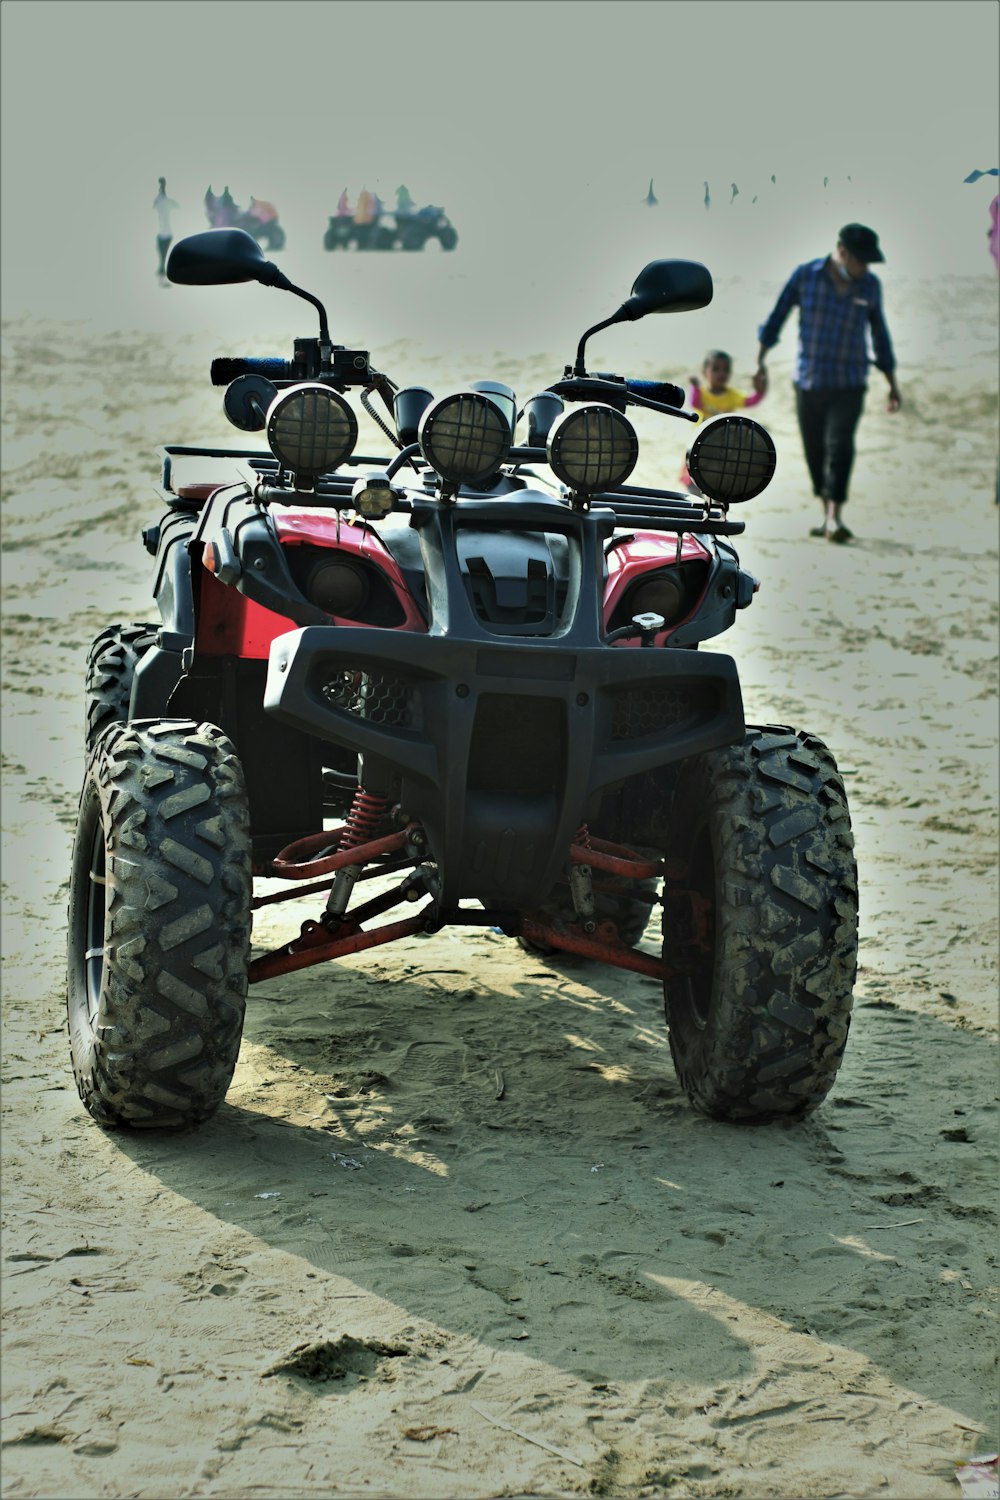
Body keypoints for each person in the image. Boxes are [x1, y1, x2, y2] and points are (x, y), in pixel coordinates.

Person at [756, 222, 901, 543]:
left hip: (849, 382)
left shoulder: (870, 287)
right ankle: (826, 514)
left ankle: (835, 517)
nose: (865, 269)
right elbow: (777, 317)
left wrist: (892, 382)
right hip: (808, 381)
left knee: (840, 447)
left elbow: (880, 334)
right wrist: (760, 361)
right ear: (843, 253)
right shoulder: (805, 276)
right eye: (862, 261)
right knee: (815, 453)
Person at [679, 351, 766, 492]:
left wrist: (760, 392)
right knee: (694, 481)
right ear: (705, 372)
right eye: (716, 369)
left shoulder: (732, 395)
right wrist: (694, 387)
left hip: (722, 446)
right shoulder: (703, 393)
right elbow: (695, 403)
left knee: (718, 483)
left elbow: (750, 401)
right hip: (699, 444)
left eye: (725, 370)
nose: (721, 373)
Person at [152, 177, 178, 279]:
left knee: (164, 256)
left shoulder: (164, 202)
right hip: (163, 235)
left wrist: (162, 187)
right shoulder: (162, 202)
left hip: (166, 235)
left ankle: (163, 273)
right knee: (162, 256)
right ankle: (162, 273)